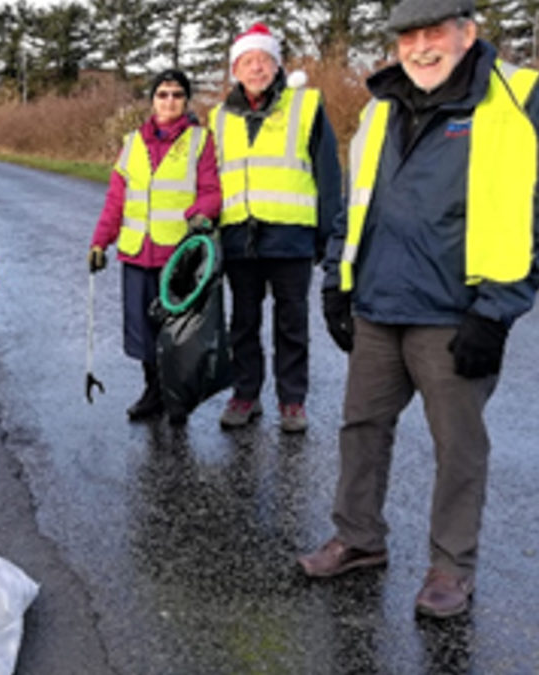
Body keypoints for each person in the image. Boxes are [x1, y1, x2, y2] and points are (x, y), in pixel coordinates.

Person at [298, 0, 539, 619]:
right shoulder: (380, 107)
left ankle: (451, 567)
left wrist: (498, 310)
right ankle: (358, 538)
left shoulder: (518, 99)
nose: (422, 47)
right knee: (361, 430)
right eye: (410, 36)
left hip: (459, 315)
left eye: (436, 32)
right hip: (380, 304)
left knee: (458, 445)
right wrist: (336, 282)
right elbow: (355, 205)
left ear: (468, 32)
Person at [208, 23, 342, 433]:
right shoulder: (218, 117)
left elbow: (328, 174)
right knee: (243, 322)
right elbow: (210, 178)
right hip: (238, 235)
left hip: (291, 235)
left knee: (292, 322)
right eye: (247, 61)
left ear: (276, 65)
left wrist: (327, 236)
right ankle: (246, 394)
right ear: (235, 69)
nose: (256, 68)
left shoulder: (306, 107)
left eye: (263, 60)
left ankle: (292, 400)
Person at [88, 69, 221, 422]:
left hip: (177, 256)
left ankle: (176, 395)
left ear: (186, 101)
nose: (169, 101)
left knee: (177, 332)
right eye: (162, 94)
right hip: (136, 253)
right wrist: (100, 241)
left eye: (177, 95)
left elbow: (211, 191)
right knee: (142, 328)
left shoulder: (200, 141)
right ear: (152, 100)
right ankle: (153, 391)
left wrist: (200, 214)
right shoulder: (132, 143)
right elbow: (116, 200)